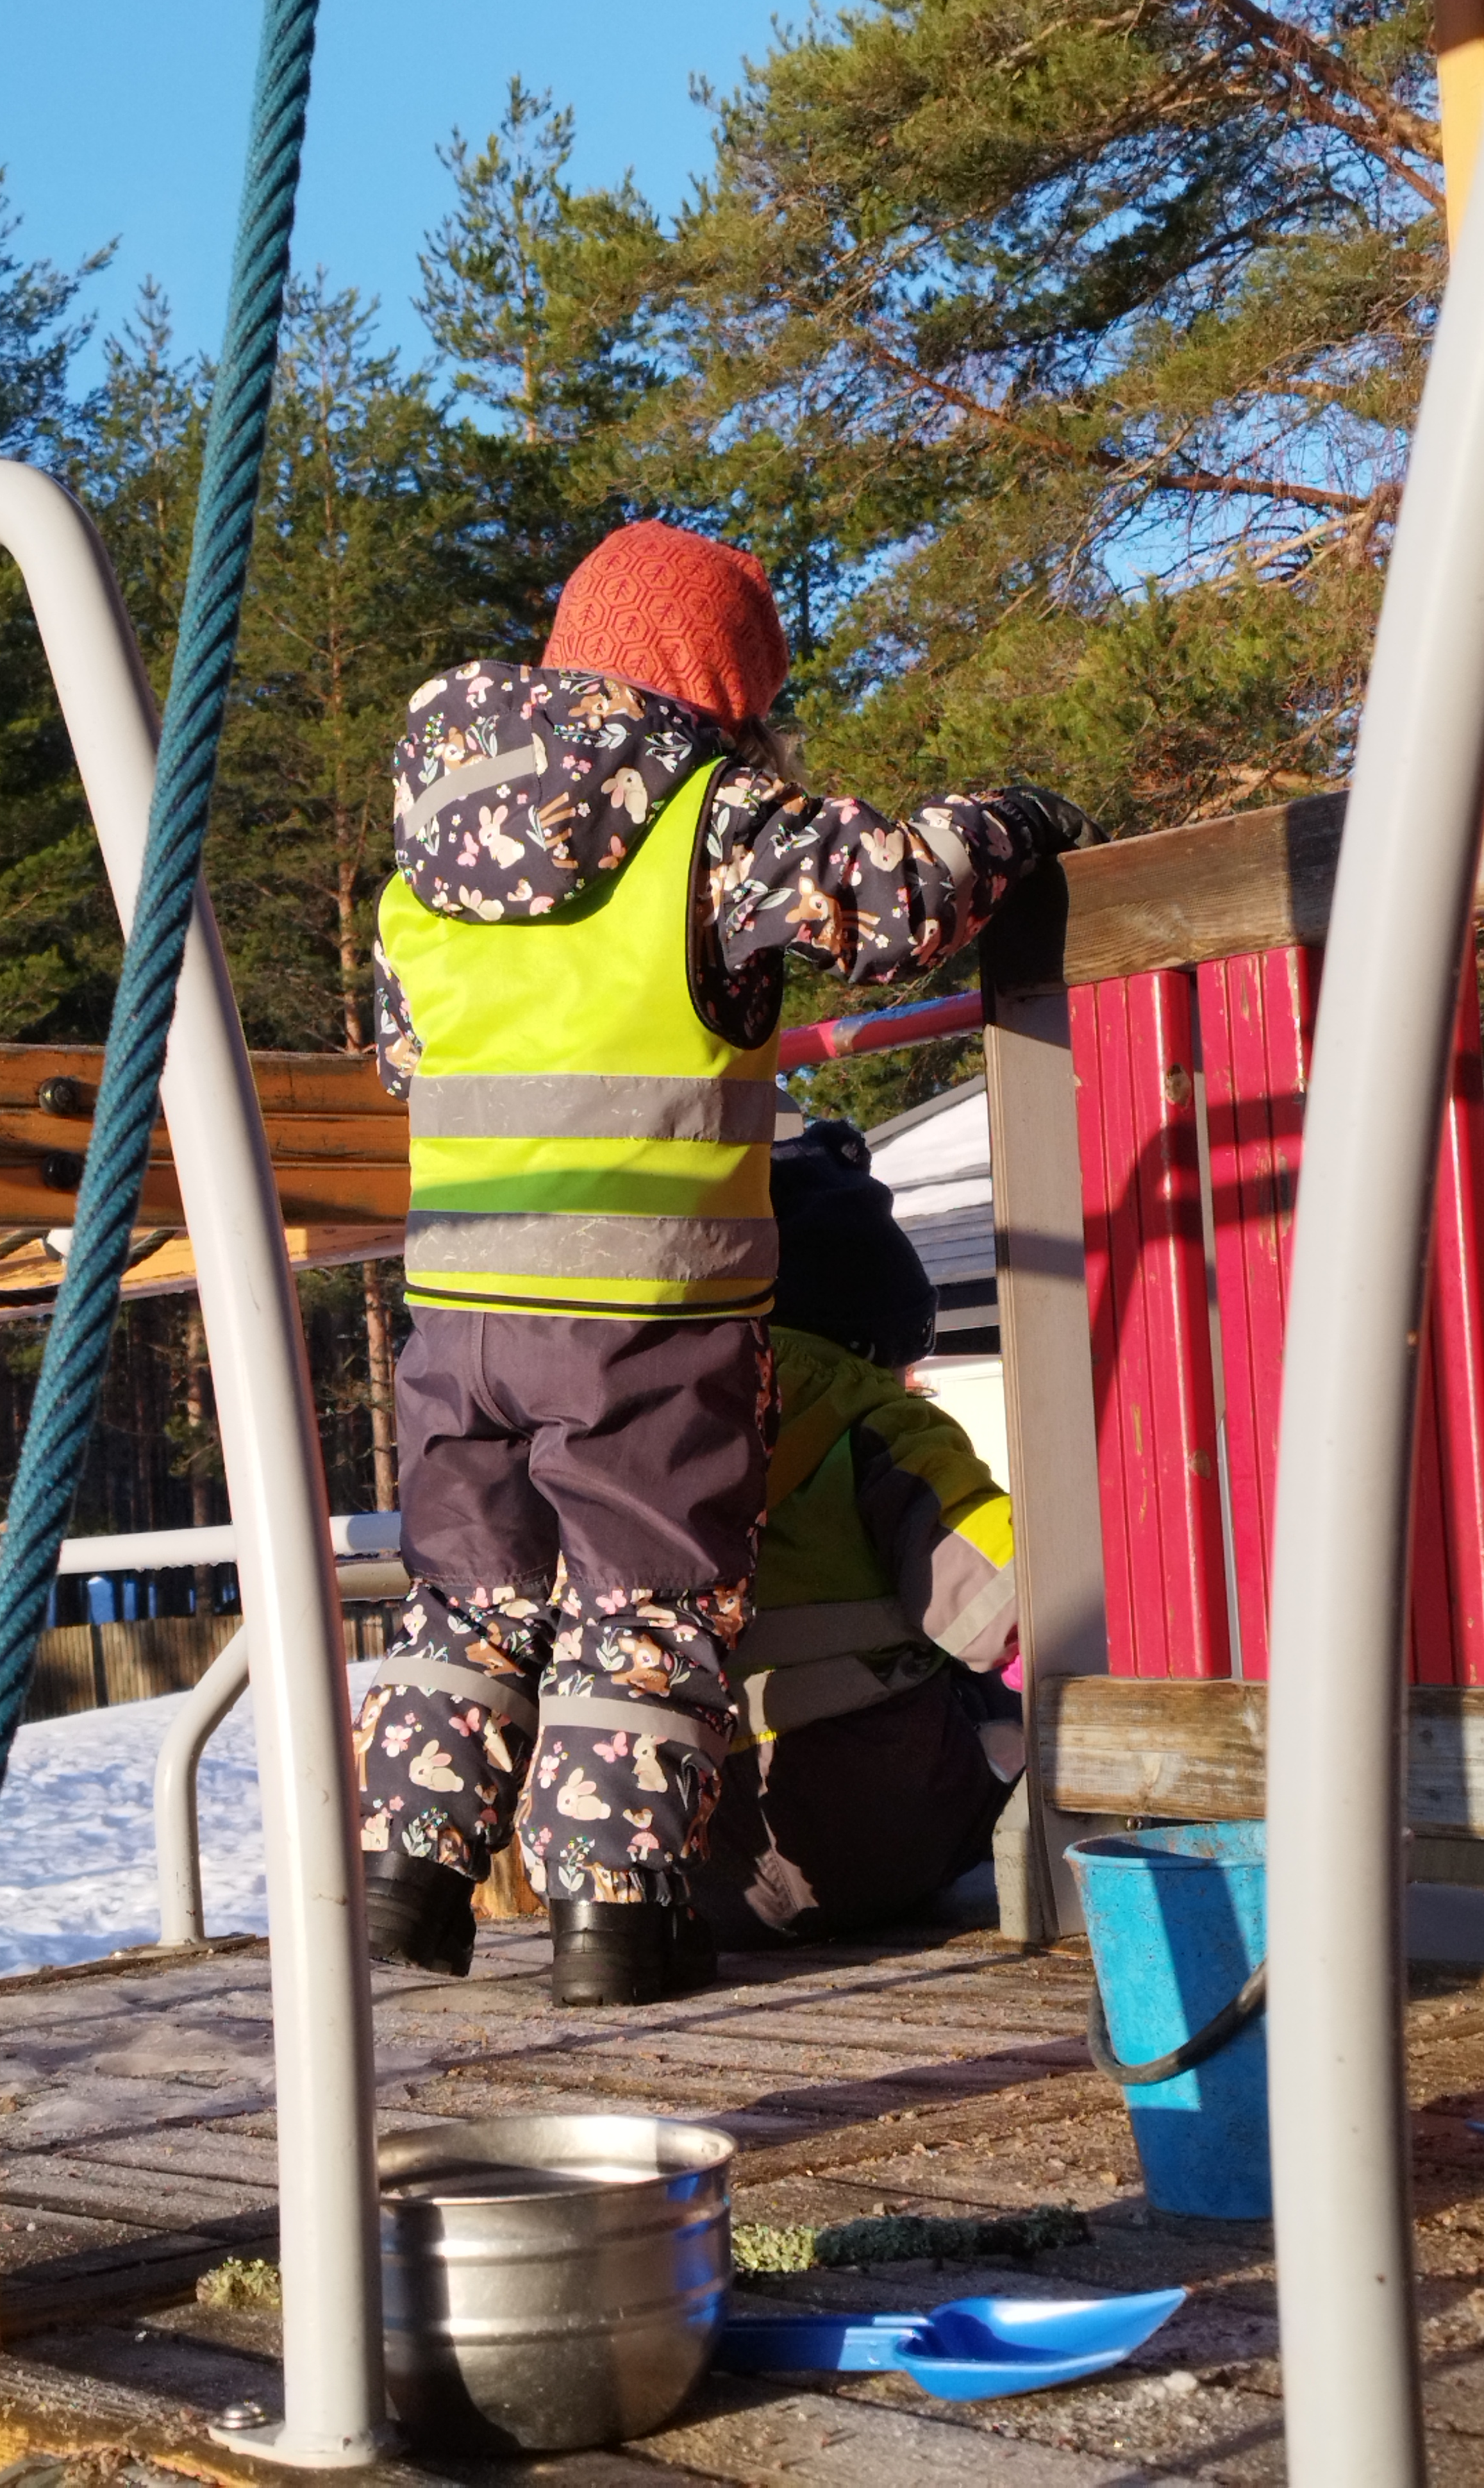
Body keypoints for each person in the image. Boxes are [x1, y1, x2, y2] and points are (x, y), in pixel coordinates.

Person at [352, 518, 1095, 2008]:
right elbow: (894, 897)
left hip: (460, 1308)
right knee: (641, 1609)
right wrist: (1019, 817)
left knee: (470, 1593)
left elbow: (401, 1054)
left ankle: (405, 1884)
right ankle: (617, 1927)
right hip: (642, 1310)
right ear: (718, 682)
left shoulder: (434, 854)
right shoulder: (708, 814)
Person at [693, 1115, 1022, 1946]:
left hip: (701, 1865)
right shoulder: (883, 1424)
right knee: (995, 1697)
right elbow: (996, 1608)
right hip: (870, 1840)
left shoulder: (668, 1427)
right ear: (882, 1333)